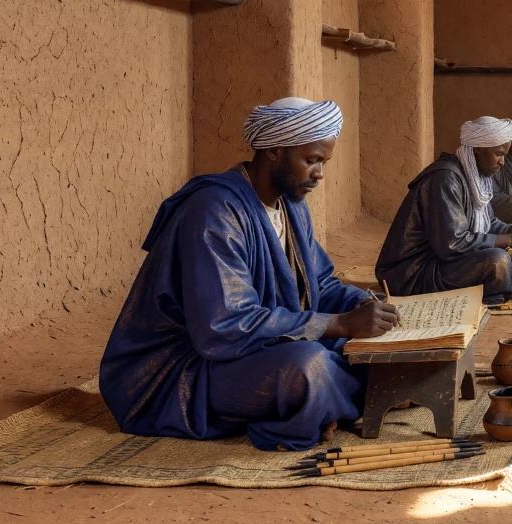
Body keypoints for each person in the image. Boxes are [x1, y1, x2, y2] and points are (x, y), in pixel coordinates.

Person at [99, 98, 398, 451]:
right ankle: (332, 402)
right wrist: (341, 325)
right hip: (183, 371)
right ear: (274, 150)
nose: (319, 175)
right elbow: (226, 327)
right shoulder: (214, 211)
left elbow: (318, 285)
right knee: (308, 370)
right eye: (311, 160)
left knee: (366, 350)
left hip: (251, 349)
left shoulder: (292, 208)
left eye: (323, 163)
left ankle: (327, 405)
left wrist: (364, 305)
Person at [375, 116, 512, 303]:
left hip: (439, 262)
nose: (502, 162)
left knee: (508, 256)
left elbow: (488, 222)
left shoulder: (474, 175)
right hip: (412, 273)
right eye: (499, 153)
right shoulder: (446, 178)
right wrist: (511, 239)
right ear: (478, 149)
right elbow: (452, 243)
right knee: (498, 262)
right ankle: (487, 301)